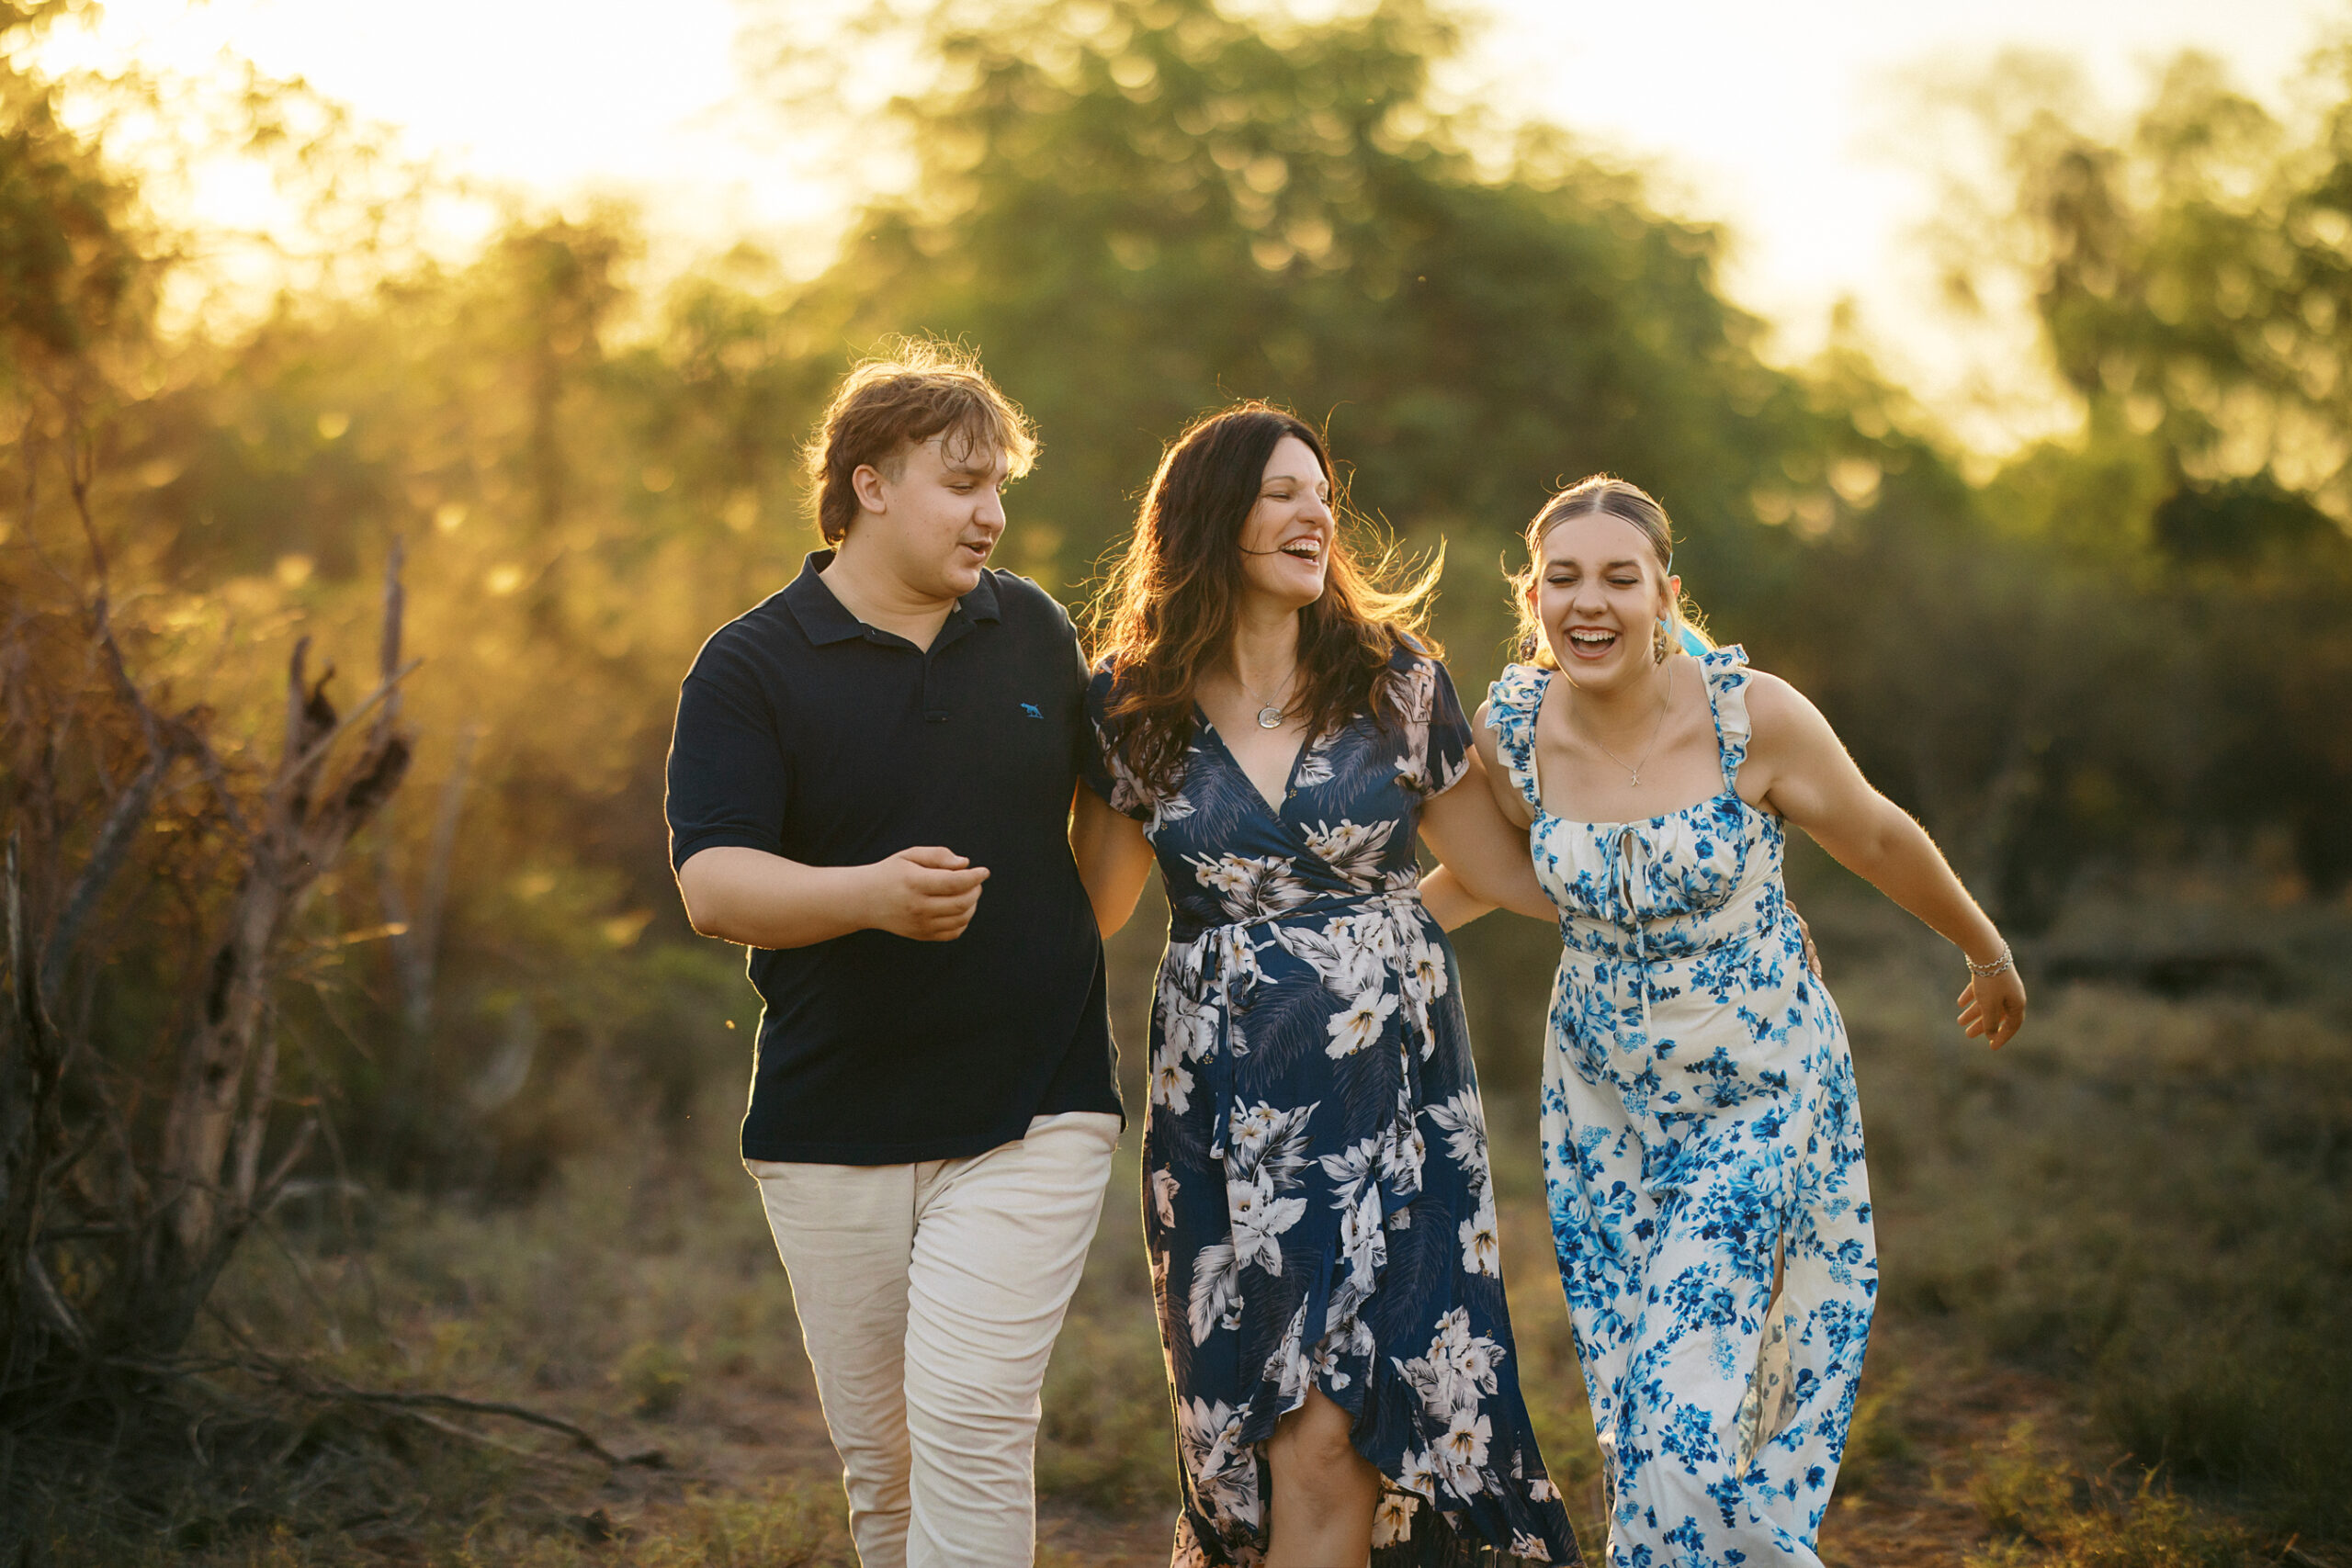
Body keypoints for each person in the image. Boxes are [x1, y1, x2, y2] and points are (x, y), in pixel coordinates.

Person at [1468, 475, 2027, 1567]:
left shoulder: (1748, 715)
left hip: (1754, 1092)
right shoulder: (1510, 734)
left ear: (1664, 595)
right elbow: (1494, 875)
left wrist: (1986, 949)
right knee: (1638, 1414)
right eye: (1564, 579)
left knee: (1680, 1420)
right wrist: (1354, 942)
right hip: (1599, 1111)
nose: (1590, 601)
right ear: (1533, 598)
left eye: (1619, 577)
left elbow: (1875, 835)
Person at [1070, 403, 1584, 1567]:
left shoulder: (1393, 682)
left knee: (1340, 1425)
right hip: (1225, 1104)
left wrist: (1689, 908)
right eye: (1283, 493)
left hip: (1389, 1095)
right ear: (1212, 517)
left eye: (1324, 497)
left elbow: (1498, 871)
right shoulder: (1130, 704)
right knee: (1266, 1436)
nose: (1316, 515)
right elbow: (1089, 913)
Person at [663, 342, 1122, 1568]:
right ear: (868, 483)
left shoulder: (1033, 629)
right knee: (890, 1469)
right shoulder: (750, 663)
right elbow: (713, 882)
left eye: (999, 486)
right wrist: (868, 897)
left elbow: (1112, 814)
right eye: (963, 483)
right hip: (832, 1114)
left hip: (1036, 1102)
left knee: (972, 1415)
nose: (992, 513)